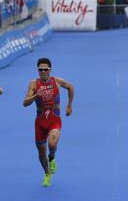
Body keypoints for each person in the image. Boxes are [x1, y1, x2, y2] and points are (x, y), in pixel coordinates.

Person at [23, 57, 74, 187]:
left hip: (54, 120)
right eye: (41, 70)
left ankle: (52, 157)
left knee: (52, 144)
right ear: (38, 70)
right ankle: (47, 174)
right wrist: (36, 96)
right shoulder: (33, 84)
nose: (43, 72)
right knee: (41, 152)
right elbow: (25, 103)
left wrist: (69, 106)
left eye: (46, 69)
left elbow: (70, 87)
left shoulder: (57, 81)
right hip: (40, 123)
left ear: (50, 70)